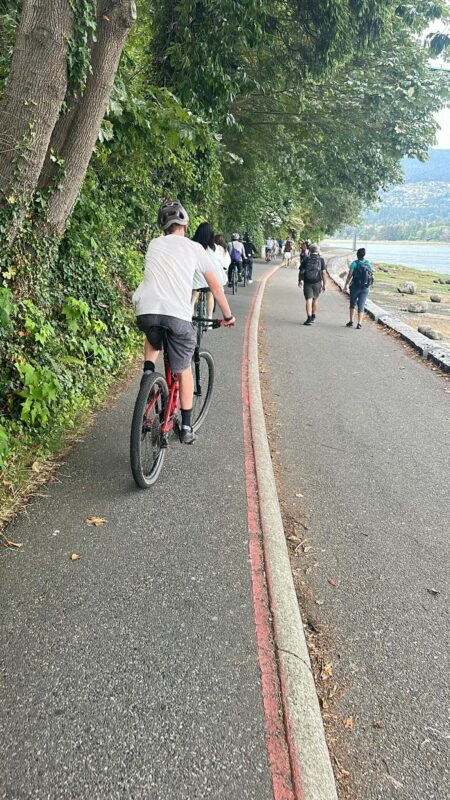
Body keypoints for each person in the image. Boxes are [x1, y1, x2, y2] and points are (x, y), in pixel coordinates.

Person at [132, 200, 235, 444]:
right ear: (185, 224)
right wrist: (228, 316)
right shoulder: (194, 248)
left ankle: (148, 373)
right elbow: (216, 287)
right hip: (177, 315)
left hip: (145, 311)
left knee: (153, 335)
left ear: (162, 226)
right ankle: (186, 427)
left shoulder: (154, 244)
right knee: (184, 367)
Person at [192, 222, 227, 318]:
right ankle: (210, 318)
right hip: (210, 280)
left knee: (194, 294)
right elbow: (222, 263)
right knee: (210, 294)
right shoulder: (215, 248)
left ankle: (189, 315)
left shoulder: (192, 245)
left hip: (196, 280)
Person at [344, 247, 374, 329]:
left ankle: (351, 321)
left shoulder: (354, 263)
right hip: (365, 288)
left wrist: (346, 285)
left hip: (355, 287)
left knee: (352, 304)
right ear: (364, 255)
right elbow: (371, 274)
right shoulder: (368, 263)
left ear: (357, 255)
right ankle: (359, 323)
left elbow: (350, 275)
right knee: (361, 305)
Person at [298, 243, 327, 325]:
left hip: (307, 282)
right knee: (315, 299)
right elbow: (324, 273)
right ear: (318, 251)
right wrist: (324, 284)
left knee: (308, 299)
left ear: (310, 250)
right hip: (317, 282)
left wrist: (299, 280)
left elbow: (301, 271)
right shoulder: (321, 259)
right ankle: (313, 316)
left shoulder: (306, 258)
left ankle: (309, 318)